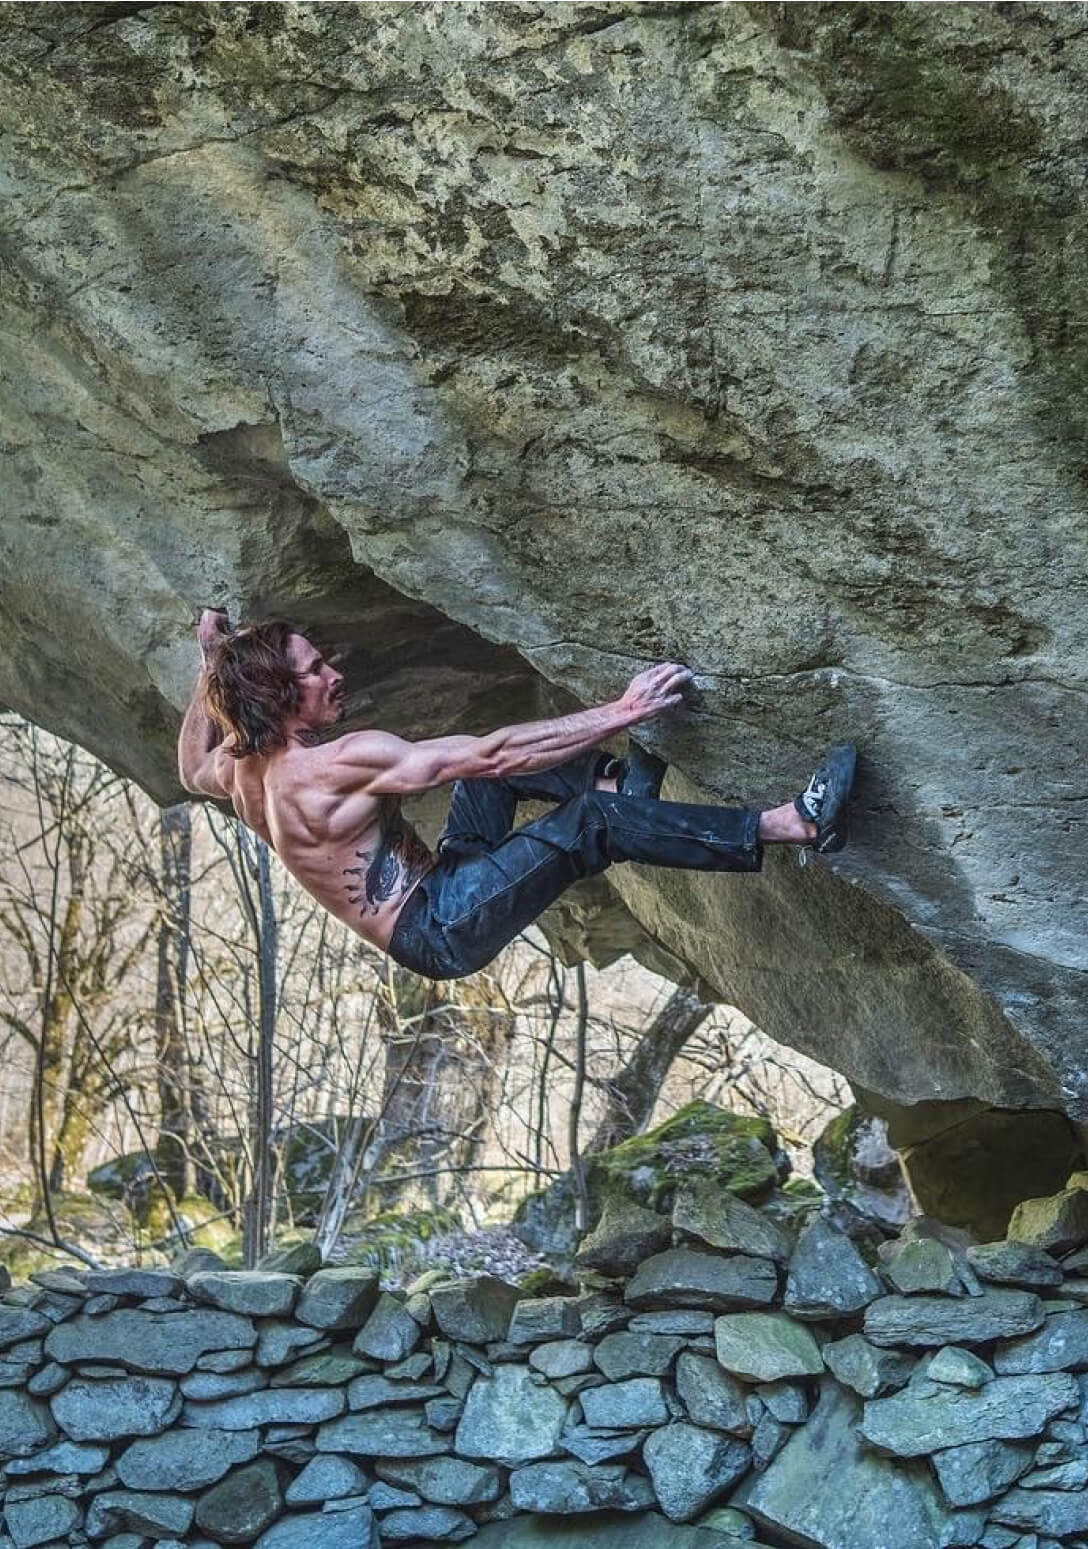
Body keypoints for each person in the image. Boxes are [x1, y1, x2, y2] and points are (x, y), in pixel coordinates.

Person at [178, 610, 856, 980]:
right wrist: (623, 710)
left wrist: (210, 659)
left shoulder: (237, 770)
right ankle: (791, 824)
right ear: (278, 694)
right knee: (586, 822)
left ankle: (623, 787)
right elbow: (497, 749)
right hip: (442, 928)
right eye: (315, 670)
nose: (335, 674)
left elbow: (187, 767)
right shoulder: (339, 764)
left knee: (483, 777)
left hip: (439, 891)